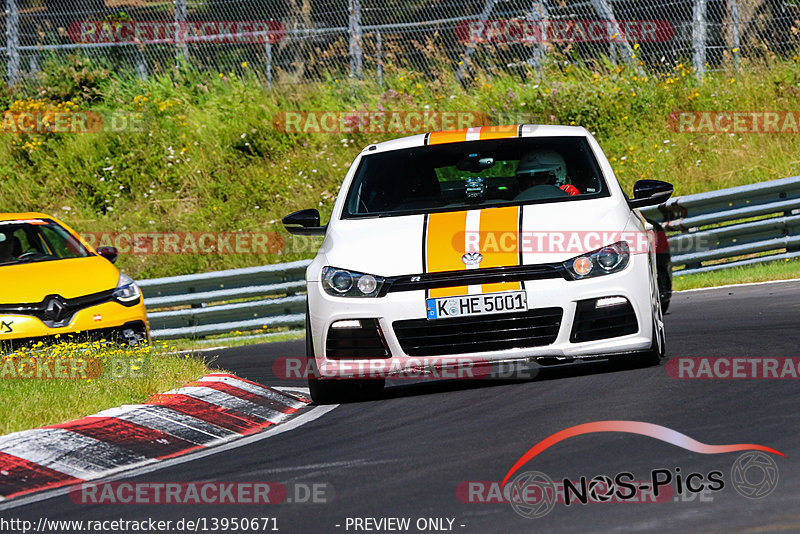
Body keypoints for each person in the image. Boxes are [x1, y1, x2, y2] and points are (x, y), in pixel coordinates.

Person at [514, 150, 580, 200]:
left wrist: (575, 198)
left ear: (558, 175)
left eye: (539, 177)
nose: (532, 183)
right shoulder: (511, 205)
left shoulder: (570, 198)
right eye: (525, 178)